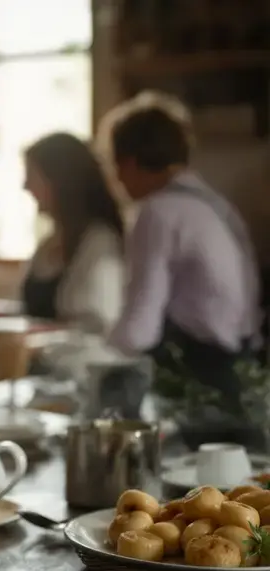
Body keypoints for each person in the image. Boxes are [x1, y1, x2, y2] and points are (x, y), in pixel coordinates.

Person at [102, 92, 262, 405]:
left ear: (129, 163)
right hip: (244, 373)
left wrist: (83, 354)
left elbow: (138, 332)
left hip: (203, 380)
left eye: (115, 168)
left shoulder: (160, 210)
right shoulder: (213, 204)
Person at [20, 132, 127, 334]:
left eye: (32, 176)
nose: (25, 186)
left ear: (59, 180)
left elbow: (95, 326)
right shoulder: (49, 242)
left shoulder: (99, 242)